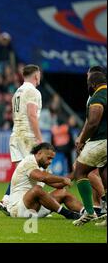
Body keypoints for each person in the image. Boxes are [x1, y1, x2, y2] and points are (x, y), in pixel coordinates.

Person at [0, 64, 43, 215]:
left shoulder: (17, 92)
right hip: (27, 136)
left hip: (15, 134)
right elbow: (31, 115)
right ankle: (39, 206)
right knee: (39, 171)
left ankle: (6, 200)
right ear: (36, 76)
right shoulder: (33, 91)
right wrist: (39, 139)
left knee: (20, 172)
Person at [8, 142, 82, 219]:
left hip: (37, 208)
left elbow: (58, 184)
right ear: (39, 153)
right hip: (18, 209)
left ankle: (87, 213)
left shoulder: (44, 166)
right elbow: (42, 177)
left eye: (52, 159)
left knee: (62, 192)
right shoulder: (28, 162)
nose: (50, 161)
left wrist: (76, 171)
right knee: (37, 189)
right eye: (48, 158)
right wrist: (63, 179)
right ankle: (68, 214)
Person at [73, 72, 107, 226]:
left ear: (93, 84)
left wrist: (82, 139)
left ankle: (89, 212)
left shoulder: (98, 97)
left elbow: (93, 122)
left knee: (80, 170)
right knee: (104, 173)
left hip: (102, 140)